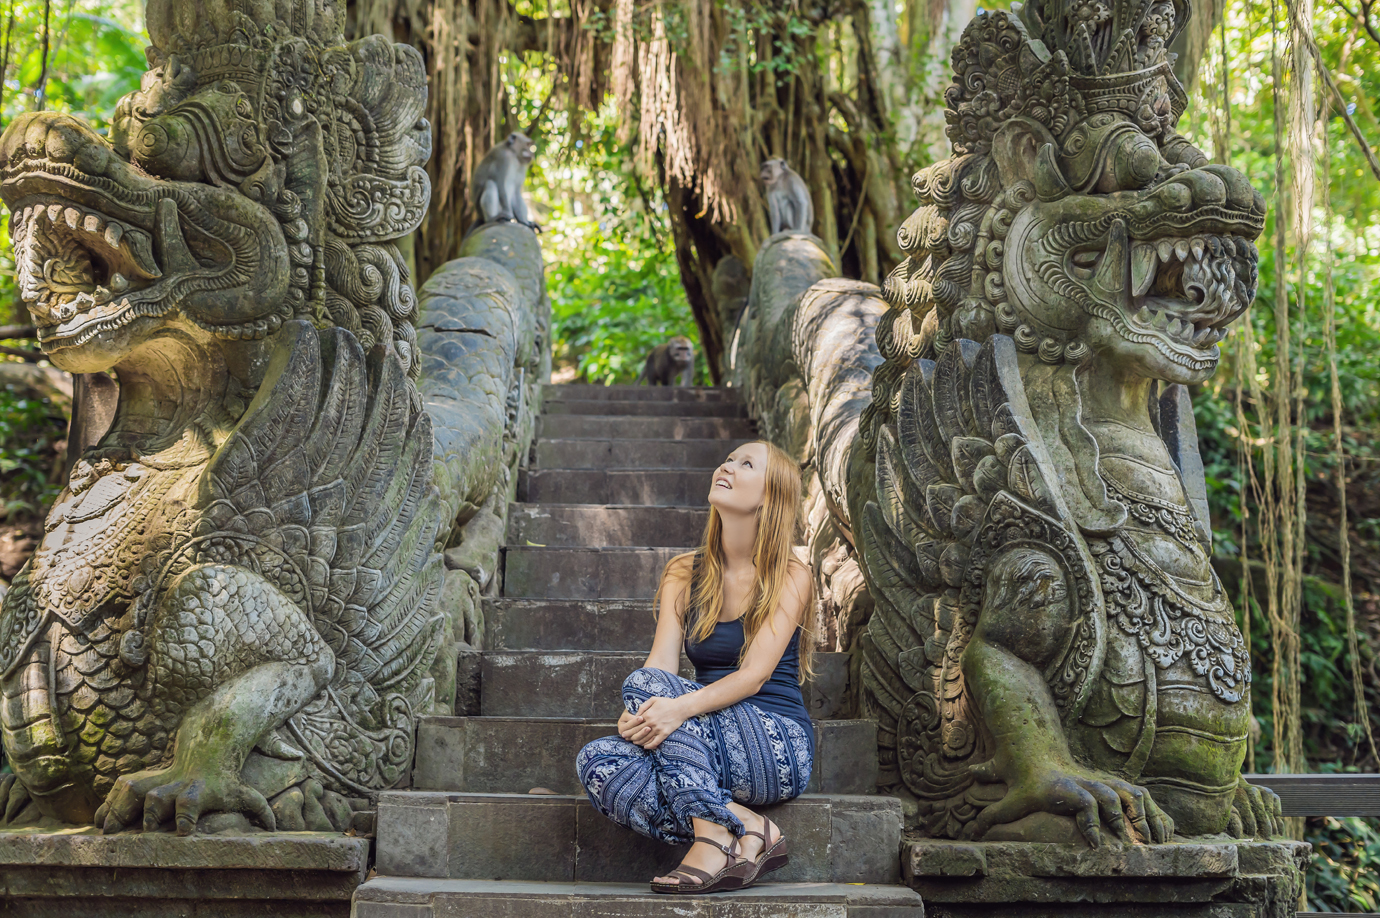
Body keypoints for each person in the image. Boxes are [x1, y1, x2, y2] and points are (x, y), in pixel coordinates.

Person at [575, 440, 816, 895]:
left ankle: (712, 839)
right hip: (702, 741)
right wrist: (639, 712)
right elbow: (661, 666)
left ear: (770, 496)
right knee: (598, 762)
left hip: (776, 743)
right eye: (728, 459)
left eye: (746, 464)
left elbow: (755, 675)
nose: (727, 466)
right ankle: (746, 824)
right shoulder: (684, 572)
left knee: (649, 689)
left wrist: (674, 708)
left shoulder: (790, 574)